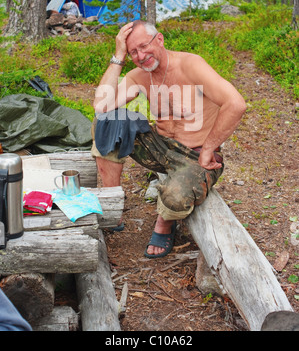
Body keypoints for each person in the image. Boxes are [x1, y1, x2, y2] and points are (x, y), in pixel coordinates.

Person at [92, 20, 246, 258]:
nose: (141, 56)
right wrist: (118, 55)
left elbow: (236, 104)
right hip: (160, 147)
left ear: (160, 39)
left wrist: (209, 148)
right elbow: (101, 106)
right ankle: (114, 205)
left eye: (144, 46)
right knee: (106, 122)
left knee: (175, 197)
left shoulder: (190, 65)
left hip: (195, 156)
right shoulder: (139, 76)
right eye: (134, 52)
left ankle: (165, 223)